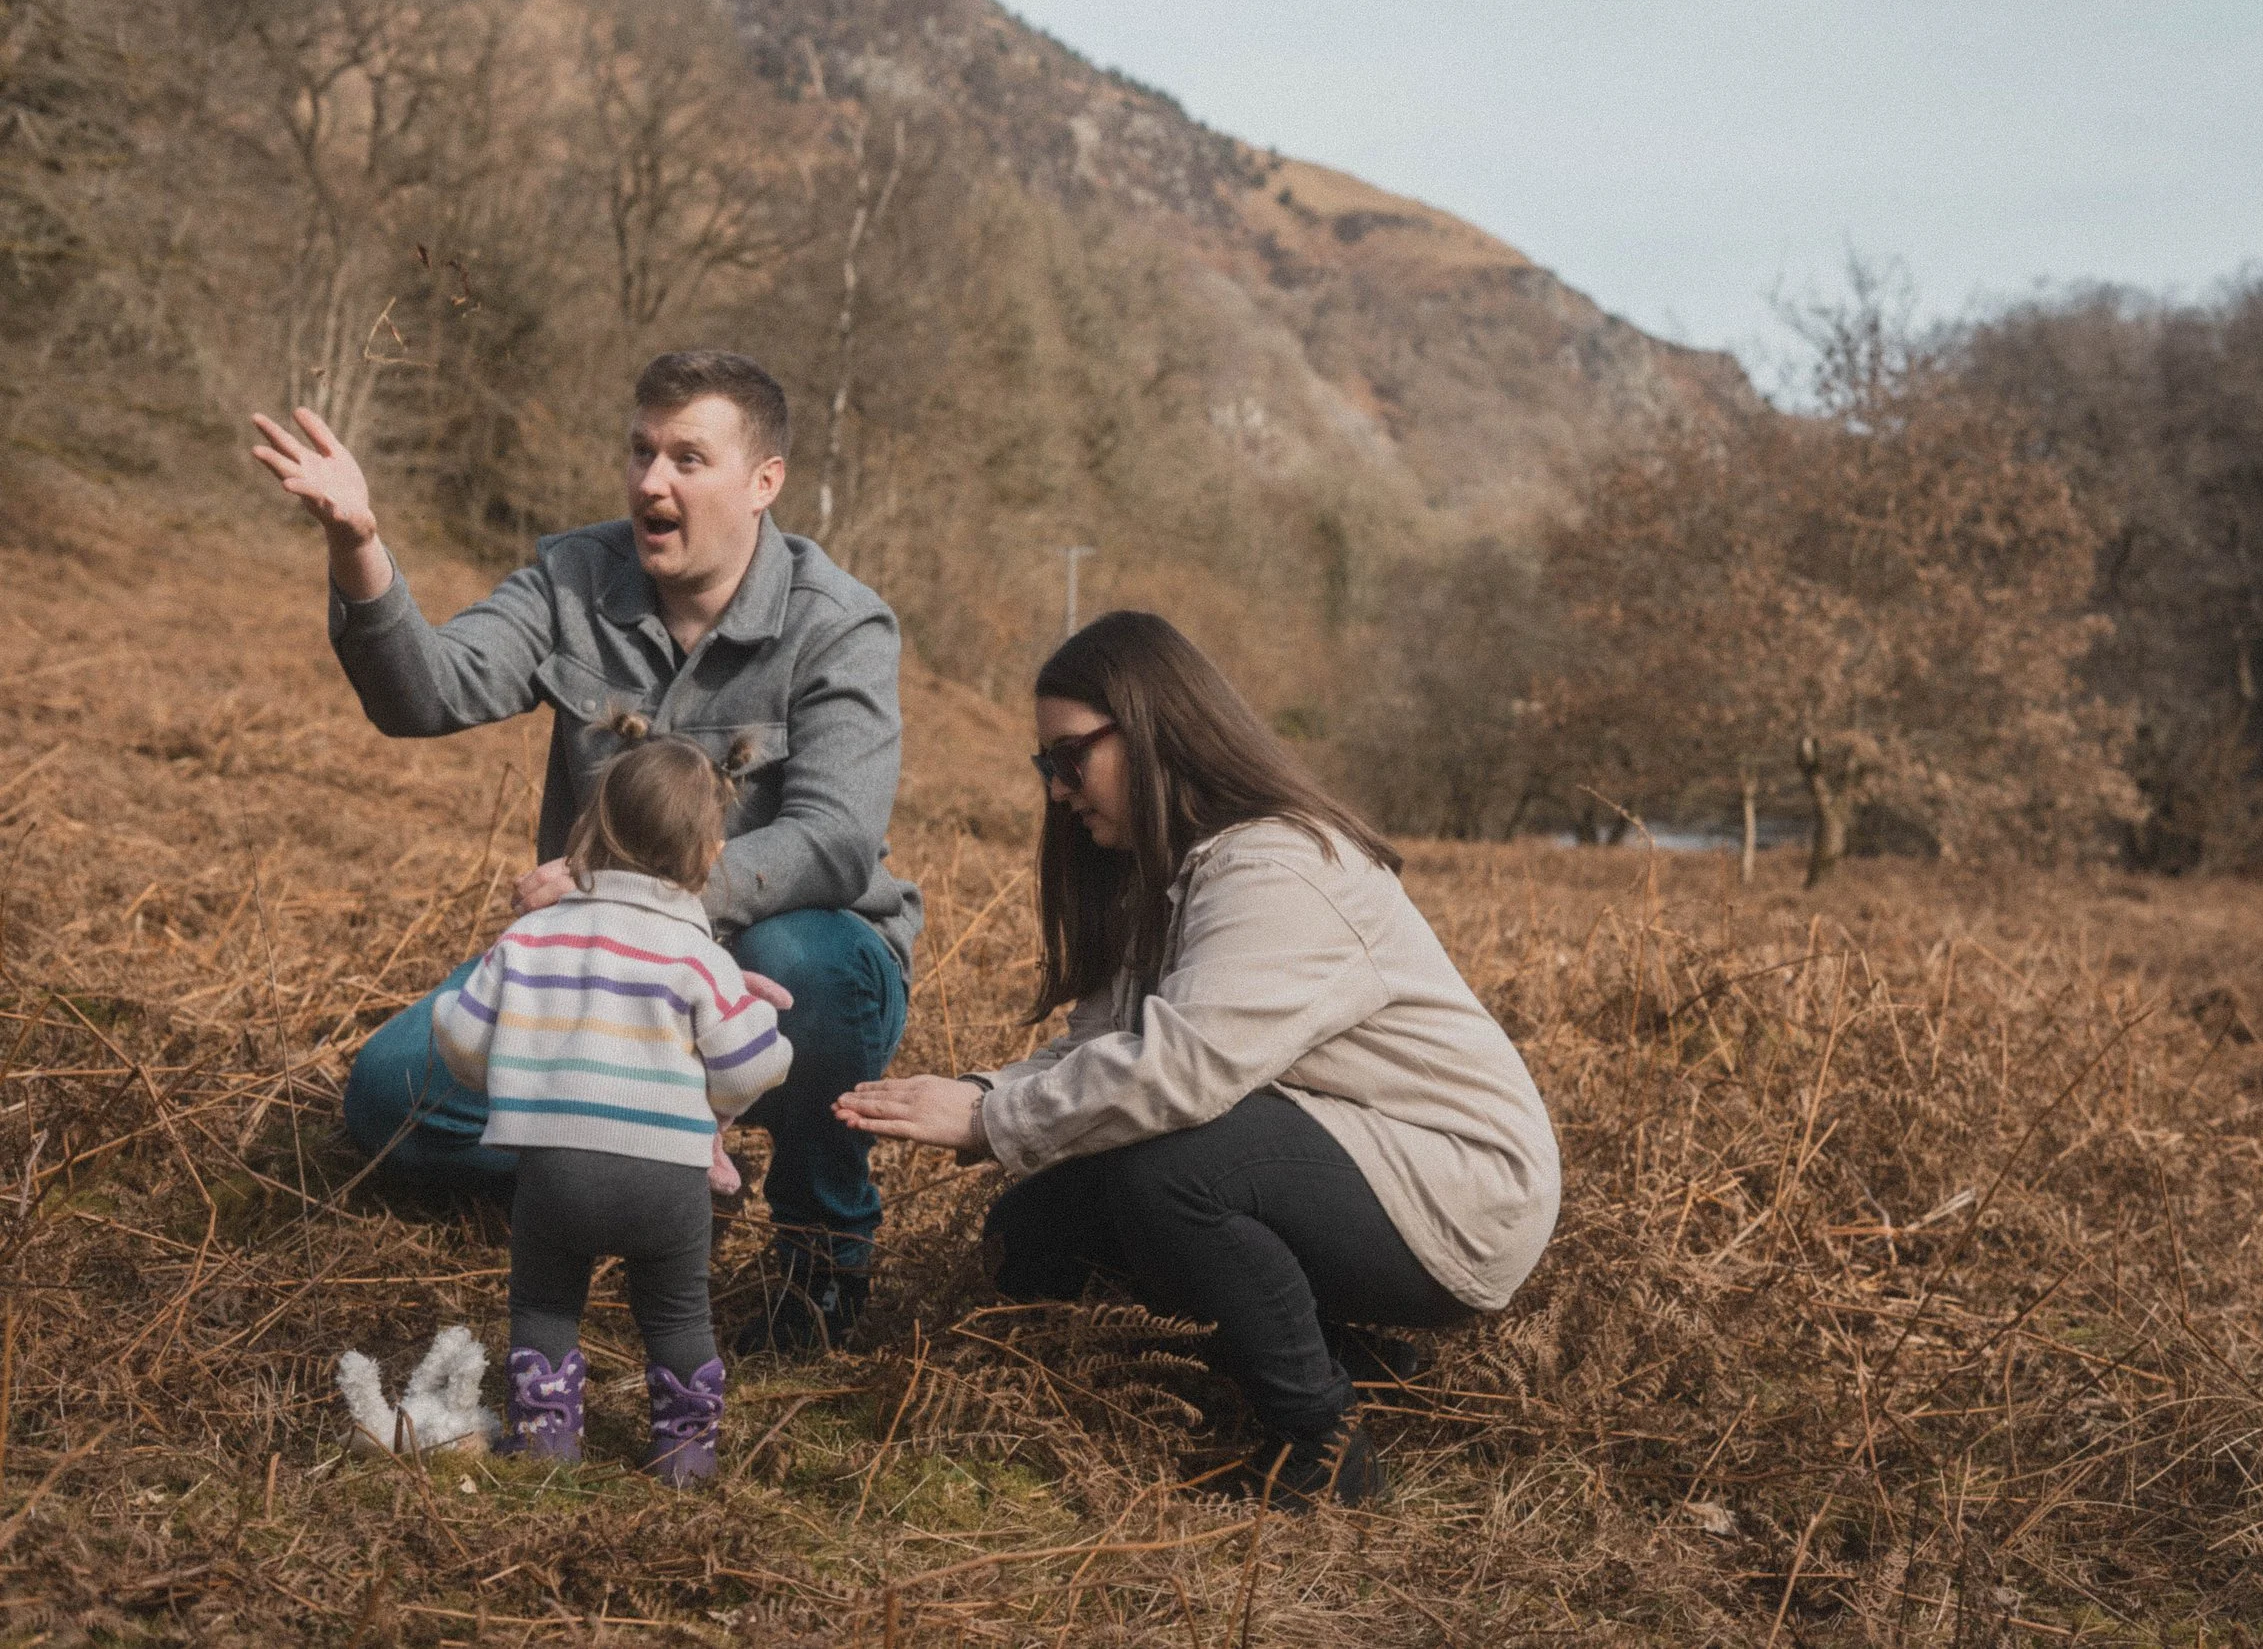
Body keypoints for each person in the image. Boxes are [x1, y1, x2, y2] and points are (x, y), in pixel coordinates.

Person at [249, 351, 919, 1356]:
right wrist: (359, 547)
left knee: (805, 959)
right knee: (388, 1092)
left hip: (773, 974)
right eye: (642, 451)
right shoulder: (570, 576)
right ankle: (643, 1169)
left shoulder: (839, 623)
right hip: (597, 981)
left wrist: (628, 894)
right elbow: (423, 694)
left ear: (763, 482)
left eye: (689, 457)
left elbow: (832, 837)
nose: (652, 481)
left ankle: (820, 1253)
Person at [834, 611, 1561, 1510]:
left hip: (1459, 1190)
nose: (1056, 790)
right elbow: (1107, 1053)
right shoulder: (1168, 873)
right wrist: (982, 1093)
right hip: (1348, 1156)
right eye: (1043, 765)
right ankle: (1358, 1358)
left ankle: (1322, 1443)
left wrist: (990, 1120)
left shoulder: (1279, 867)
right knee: (1034, 1236)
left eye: (1069, 757)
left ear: (1150, 730)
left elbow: (1180, 1072)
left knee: (1168, 1172)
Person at [433, 724, 792, 1482]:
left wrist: (506, 1067)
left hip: (556, 1171)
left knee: (544, 1302)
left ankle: (546, 1438)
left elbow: (463, 1040)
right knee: (677, 1315)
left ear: (591, 831)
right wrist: (765, 1035)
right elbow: (745, 1069)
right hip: (665, 1183)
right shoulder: (700, 954)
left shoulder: (534, 935)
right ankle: (685, 1453)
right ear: (710, 853)